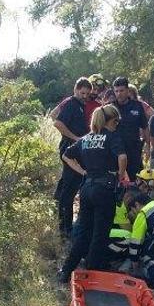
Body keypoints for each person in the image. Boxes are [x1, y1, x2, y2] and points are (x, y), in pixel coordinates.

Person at [56, 104, 128, 284]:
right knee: (100, 232)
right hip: (105, 188)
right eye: (116, 121)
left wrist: (83, 172)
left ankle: (67, 269)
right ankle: (94, 270)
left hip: (87, 188)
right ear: (110, 121)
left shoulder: (87, 138)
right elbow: (123, 157)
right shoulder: (111, 136)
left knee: (83, 231)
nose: (117, 125)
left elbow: (66, 155)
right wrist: (120, 175)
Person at [51, 77, 92, 240]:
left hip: (77, 151)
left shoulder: (81, 106)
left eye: (87, 94)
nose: (84, 96)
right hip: (69, 150)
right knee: (68, 192)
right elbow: (58, 124)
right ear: (75, 90)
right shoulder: (71, 104)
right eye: (82, 93)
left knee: (71, 187)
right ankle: (65, 229)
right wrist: (75, 138)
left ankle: (68, 225)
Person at [111, 77, 149, 180]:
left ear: (128, 91)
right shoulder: (109, 108)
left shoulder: (137, 106)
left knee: (135, 181)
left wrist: (148, 146)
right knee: (116, 182)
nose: (119, 93)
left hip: (134, 150)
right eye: (116, 91)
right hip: (115, 152)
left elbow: (145, 127)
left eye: (122, 90)